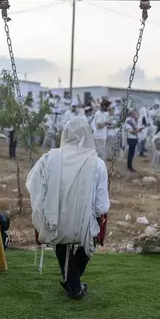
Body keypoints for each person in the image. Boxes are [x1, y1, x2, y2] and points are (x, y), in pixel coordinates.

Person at [27, 116, 110, 300]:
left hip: (53, 222)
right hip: (84, 226)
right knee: (89, 232)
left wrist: (47, 209)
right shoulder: (97, 164)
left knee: (59, 233)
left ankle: (72, 281)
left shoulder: (48, 159)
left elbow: (35, 188)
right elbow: (101, 206)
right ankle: (74, 285)